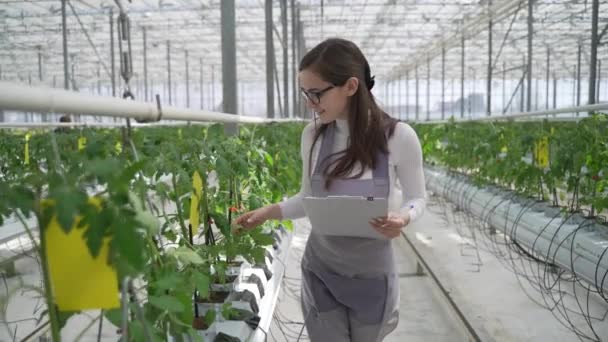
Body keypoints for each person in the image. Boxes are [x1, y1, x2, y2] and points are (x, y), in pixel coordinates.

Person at [235, 38, 426, 342]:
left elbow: (417, 197)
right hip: (321, 268)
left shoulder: (398, 136)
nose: (310, 103)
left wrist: (403, 218)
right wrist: (269, 212)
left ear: (351, 86)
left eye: (316, 93)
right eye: (305, 93)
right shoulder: (313, 136)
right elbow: (308, 199)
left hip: (372, 275)